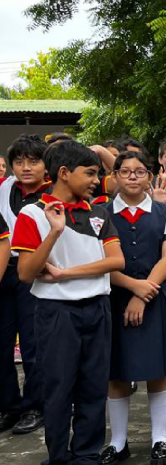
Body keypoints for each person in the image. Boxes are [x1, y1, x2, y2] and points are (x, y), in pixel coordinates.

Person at [12, 141, 125, 465]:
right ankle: (58, 457)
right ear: (63, 173)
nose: (95, 180)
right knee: (59, 390)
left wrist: (65, 274)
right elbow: (26, 273)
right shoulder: (33, 214)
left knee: (93, 388)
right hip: (56, 314)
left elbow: (116, 261)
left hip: (98, 309)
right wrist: (55, 232)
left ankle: (86, 455)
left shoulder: (99, 213)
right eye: (89, 173)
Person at [100, 151, 166, 465]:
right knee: (116, 371)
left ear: (150, 176)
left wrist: (142, 292)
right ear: (115, 177)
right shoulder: (102, 212)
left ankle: (160, 438)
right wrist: (130, 286)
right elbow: (97, 261)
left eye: (140, 171)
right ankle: (118, 441)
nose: (133, 177)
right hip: (114, 297)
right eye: (125, 171)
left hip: (157, 295)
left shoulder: (164, 212)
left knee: (158, 369)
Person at [0, 134, 51, 435]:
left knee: (33, 344)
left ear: (46, 165)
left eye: (33, 161)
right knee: (3, 345)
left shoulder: (52, 194)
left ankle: (35, 406)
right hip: (5, 269)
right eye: (19, 161)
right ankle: (9, 405)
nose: (25, 168)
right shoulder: (6, 188)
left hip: (36, 272)